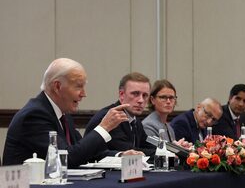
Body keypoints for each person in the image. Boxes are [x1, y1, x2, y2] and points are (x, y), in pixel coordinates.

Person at [3, 58, 132, 167]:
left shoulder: (62, 113)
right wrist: (104, 128)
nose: (84, 94)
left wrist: (120, 155)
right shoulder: (34, 116)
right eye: (78, 86)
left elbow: (83, 151)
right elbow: (67, 159)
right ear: (57, 86)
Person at [85, 73, 156, 157]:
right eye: (135, 94)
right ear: (122, 95)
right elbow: (128, 150)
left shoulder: (135, 120)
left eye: (145, 95)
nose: (141, 100)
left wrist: (172, 149)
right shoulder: (111, 117)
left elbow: (149, 144)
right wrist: (168, 154)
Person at [142, 79, 192, 149]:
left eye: (171, 98)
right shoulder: (148, 125)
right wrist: (176, 149)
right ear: (152, 100)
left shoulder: (169, 127)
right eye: (163, 97)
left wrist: (181, 148)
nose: (168, 101)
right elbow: (154, 154)